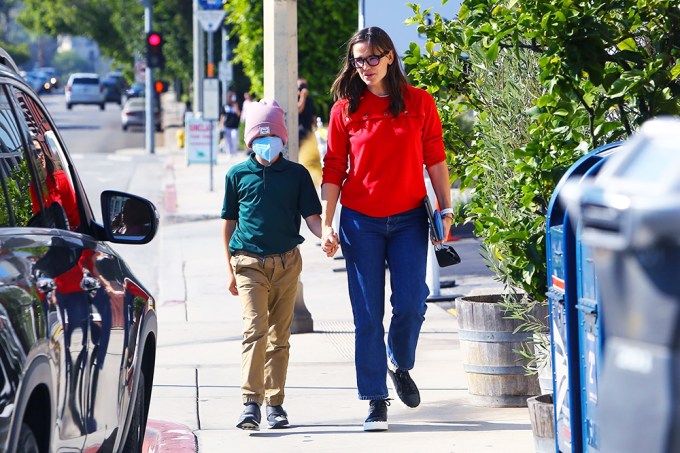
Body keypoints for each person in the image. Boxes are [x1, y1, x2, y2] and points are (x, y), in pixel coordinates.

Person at [320, 26, 453, 432]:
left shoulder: (418, 103)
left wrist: (446, 210)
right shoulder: (345, 109)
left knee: (413, 302)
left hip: (410, 219)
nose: (365, 67)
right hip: (361, 222)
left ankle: (399, 360)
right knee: (366, 316)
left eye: (372, 58)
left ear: (390, 57)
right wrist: (327, 224)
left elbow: (435, 158)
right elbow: (333, 168)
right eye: (358, 60)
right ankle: (375, 399)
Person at [222, 98, 328, 431]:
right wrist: (229, 269)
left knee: (279, 337)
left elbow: (312, 217)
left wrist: (324, 234)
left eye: (273, 137)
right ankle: (250, 403)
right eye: (259, 138)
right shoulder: (237, 175)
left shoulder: (296, 175)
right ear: (249, 141)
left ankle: (275, 404)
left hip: (286, 264)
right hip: (248, 264)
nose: (267, 144)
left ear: (283, 139)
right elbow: (227, 223)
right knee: (255, 331)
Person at [221, 92, 241, 157]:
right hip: (227, 126)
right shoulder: (225, 106)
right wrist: (221, 124)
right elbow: (223, 116)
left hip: (235, 126)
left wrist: (236, 107)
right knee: (228, 140)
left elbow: (239, 114)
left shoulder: (236, 105)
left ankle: (234, 151)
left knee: (234, 138)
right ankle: (229, 153)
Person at [297, 78, 316, 144]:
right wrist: (303, 97)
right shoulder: (294, 98)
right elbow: (299, 110)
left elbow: (314, 115)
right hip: (298, 132)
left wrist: (315, 128)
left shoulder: (310, 100)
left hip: (308, 131)